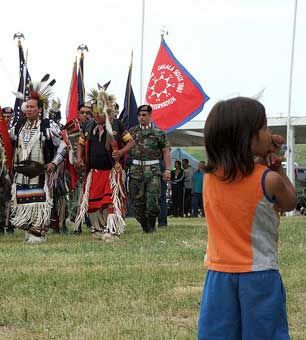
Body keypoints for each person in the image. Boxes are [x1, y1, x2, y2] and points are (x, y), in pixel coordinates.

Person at [198, 97, 296, 340]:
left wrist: (264, 152)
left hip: (218, 274)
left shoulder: (210, 178)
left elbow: (240, 171)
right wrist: (278, 166)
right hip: (260, 274)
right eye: (264, 127)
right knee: (265, 333)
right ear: (247, 138)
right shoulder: (269, 179)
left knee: (218, 334)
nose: (270, 132)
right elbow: (290, 202)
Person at [10, 85, 67, 244]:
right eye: (26, 107)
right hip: (22, 172)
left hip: (41, 171)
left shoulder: (47, 125)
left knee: (40, 200)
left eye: (32, 107)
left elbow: (62, 145)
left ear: (39, 109)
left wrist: (54, 163)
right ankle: (30, 231)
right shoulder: (19, 125)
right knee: (24, 200)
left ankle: (38, 233)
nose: (28, 110)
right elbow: (9, 140)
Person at [75, 90, 134, 240]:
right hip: (94, 172)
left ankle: (112, 229)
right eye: (94, 113)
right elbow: (81, 143)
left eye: (99, 113)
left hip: (111, 171)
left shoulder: (117, 125)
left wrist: (120, 152)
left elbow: (131, 142)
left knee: (109, 201)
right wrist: (79, 158)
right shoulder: (88, 126)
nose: (95, 116)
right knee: (94, 202)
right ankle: (98, 229)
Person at [129, 104, 171, 233]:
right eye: (139, 115)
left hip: (153, 170)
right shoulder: (132, 132)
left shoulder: (159, 133)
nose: (141, 117)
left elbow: (165, 152)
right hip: (136, 171)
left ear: (150, 116)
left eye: (144, 115)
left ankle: (151, 226)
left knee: (152, 201)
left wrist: (168, 170)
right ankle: (145, 226)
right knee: (137, 203)